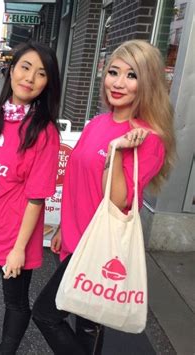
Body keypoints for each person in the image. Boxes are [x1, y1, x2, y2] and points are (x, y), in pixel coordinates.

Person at [31, 40, 176, 355]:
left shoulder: (149, 139)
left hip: (101, 250)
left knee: (47, 315)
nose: (119, 82)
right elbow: (78, 181)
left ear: (148, 83)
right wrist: (63, 231)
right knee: (86, 330)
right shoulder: (98, 122)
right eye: (114, 72)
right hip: (76, 241)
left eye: (131, 75)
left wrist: (116, 151)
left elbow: (117, 202)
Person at [0, 41, 61, 354]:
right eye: (25, 67)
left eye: (41, 73)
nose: (30, 78)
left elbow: (36, 198)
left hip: (16, 235)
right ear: (12, 69)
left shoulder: (45, 132)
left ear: (47, 84)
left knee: (15, 301)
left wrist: (18, 250)